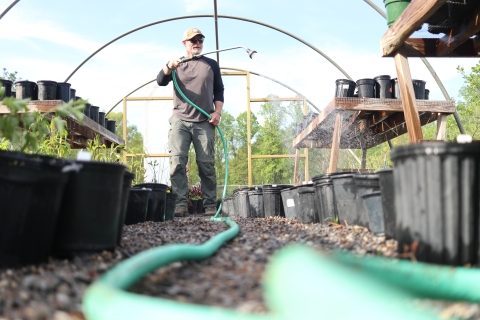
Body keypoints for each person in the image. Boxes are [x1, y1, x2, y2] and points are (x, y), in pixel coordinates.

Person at [157, 27, 224, 217]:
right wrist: (169, 66)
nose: (197, 43)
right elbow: (160, 80)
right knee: (177, 162)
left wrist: (217, 112)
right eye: (193, 40)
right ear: (184, 43)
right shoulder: (176, 65)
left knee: (206, 163)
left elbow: (219, 91)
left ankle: (210, 204)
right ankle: (180, 204)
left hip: (204, 121)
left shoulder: (211, 64)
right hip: (180, 120)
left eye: (200, 40)